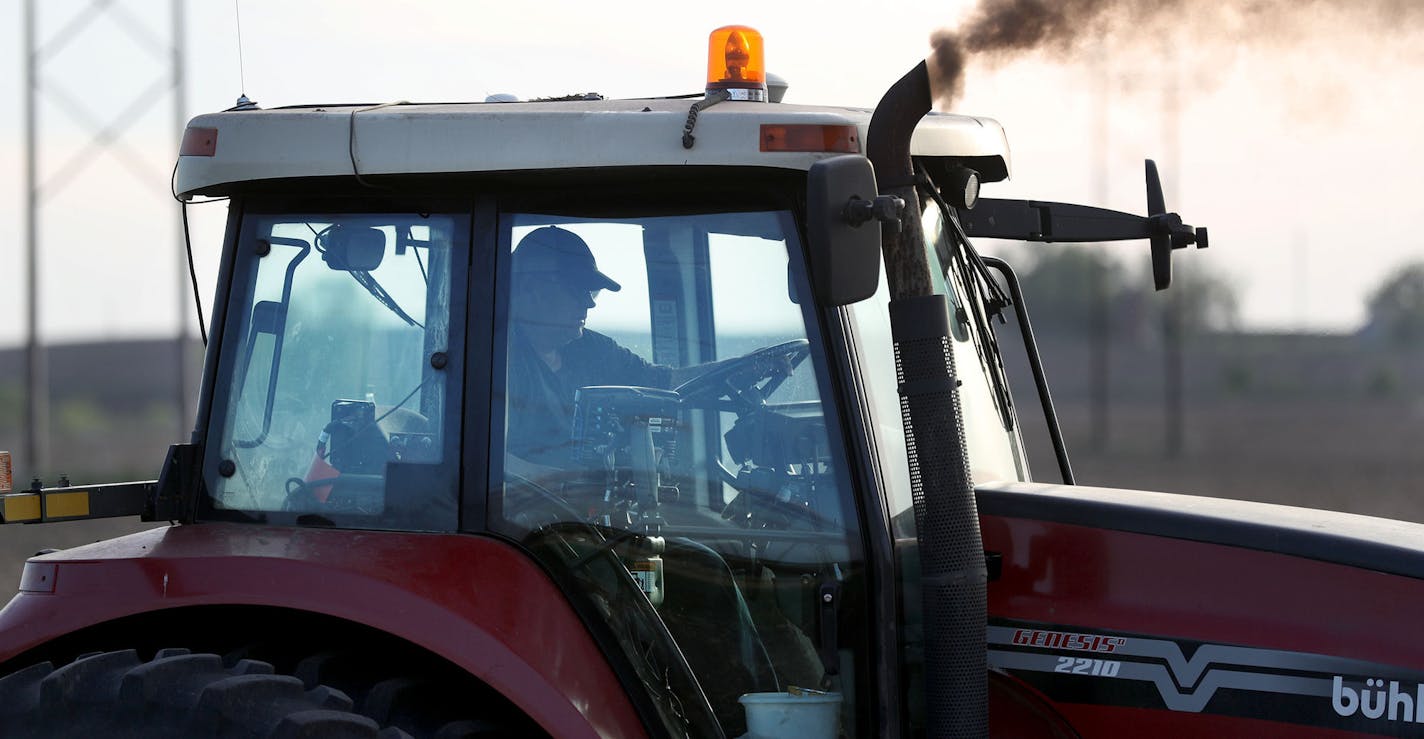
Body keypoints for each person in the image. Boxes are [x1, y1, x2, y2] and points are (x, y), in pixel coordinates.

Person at [504, 226, 674, 476]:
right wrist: (566, 486)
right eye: (577, 289)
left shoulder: (594, 350)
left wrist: (739, 368)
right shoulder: (496, 358)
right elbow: (486, 457)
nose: (589, 303)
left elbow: (665, 383)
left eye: (592, 292)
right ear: (531, 288)